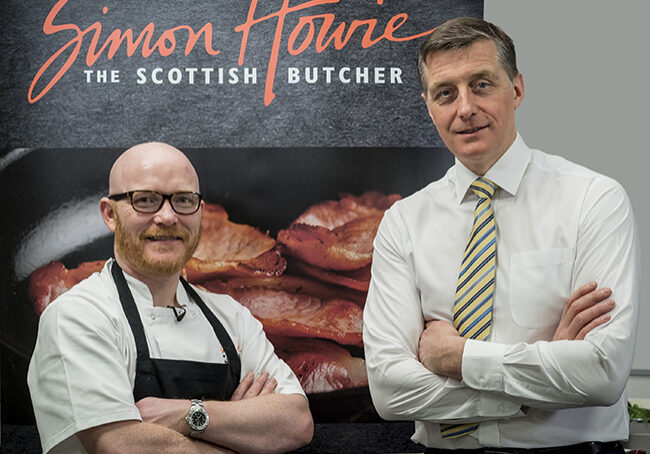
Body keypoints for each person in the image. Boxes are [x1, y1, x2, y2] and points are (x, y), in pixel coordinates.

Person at [363, 17, 639, 454]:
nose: (465, 108)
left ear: (518, 88)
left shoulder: (594, 199)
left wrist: (456, 358)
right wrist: (532, 394)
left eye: (482, 84)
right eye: (445, 93)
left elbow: (602, 373)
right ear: (428, 106)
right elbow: (388, 389)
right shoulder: (402, 221)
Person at [28, 142, 313, 454]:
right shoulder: (78, 315)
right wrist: (241, 434)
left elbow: (297, 422)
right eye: (146, 200)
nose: (167, 216)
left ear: (201, 212)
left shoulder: (233, 318)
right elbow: (120, 446)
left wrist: (187, 415)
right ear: (110, 214)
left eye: (183, 200)